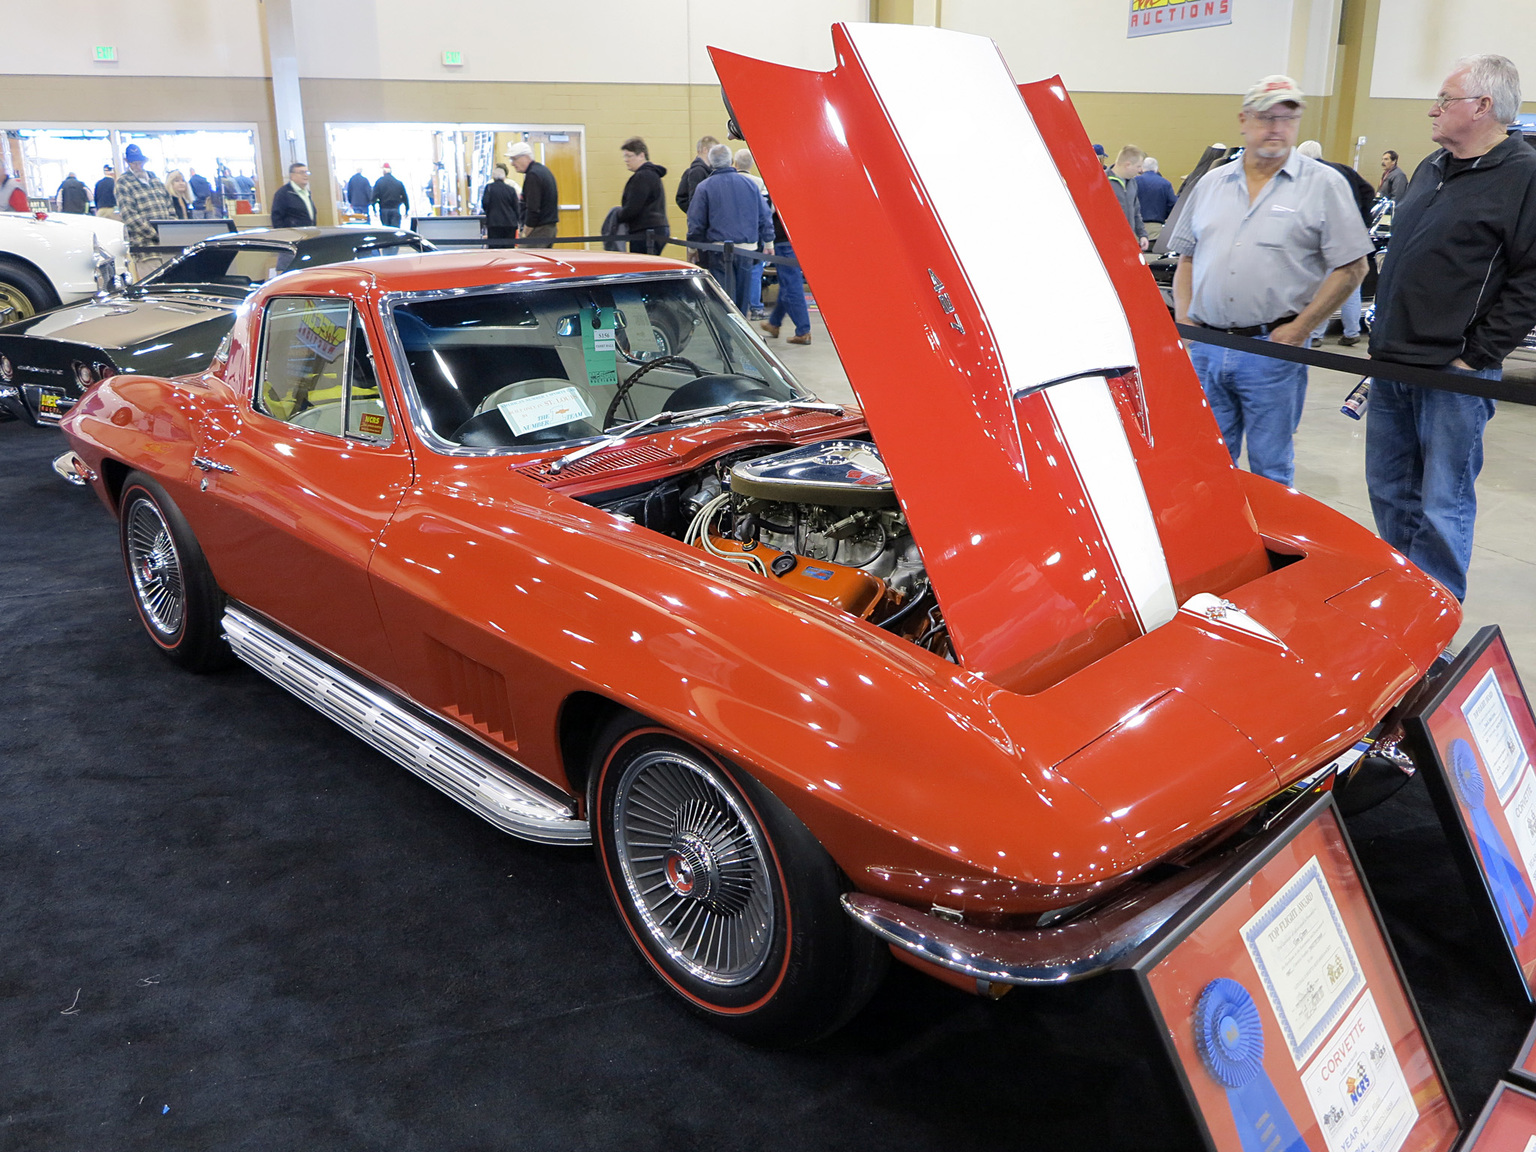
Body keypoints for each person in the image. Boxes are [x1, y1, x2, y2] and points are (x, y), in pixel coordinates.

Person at [1365, 54, 1536, 603]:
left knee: (1443, 502)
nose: (1433, 111)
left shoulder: (1524, 176)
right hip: (1392, 362)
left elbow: (1531, 278)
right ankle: (1401, 605)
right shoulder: (1432, 167)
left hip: (1452, 373)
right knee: (1390, 492)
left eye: (1444, 99)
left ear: (1483, 106)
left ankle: (1436, 618)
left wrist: (1476, 355)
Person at [1167, 75, 1372, 486]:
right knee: (1207, 463)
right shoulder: (1211, 184)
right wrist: (1186, 319)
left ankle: (1269, 547)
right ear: (1244, 120)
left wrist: (1301, 329)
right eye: (1266, 117)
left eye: (1287, 118)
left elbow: (1353, 268)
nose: (1276, 128)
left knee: (1270, 469)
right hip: (1207, 347)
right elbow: (1187, 257)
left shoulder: (1324, 185)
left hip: (1271, 352)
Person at [1298, 140, 1374, 346]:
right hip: (1354, 235)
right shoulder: (1344, 169)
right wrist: (1363, 221)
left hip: (1329, 236)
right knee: (1351, 286)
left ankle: (1315, 334)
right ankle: (1351, 332)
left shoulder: (1313, 174)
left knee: (1324, 286)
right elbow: (1369, 191)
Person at [686, 143, 773, 311]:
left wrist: (692, 249)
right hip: (747, 250)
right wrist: (769, 242)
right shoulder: (750, 185)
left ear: (711, 163)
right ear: (731, 161)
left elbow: (695, 222)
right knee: (742, 300)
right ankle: (741, 332)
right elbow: (765, 215)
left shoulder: (704, 187)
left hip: (718, 251)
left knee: (723, 300)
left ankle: (726, 335)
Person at [759, 210, 812, 346]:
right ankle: (774, 323)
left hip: (783, 238)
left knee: (791, 286)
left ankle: (803, 331)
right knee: (786, 284)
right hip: (792, 237)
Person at [113, 143, 176, 248]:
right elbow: (129, 216)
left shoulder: (155, 179)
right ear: (127, 162)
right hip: (144, 246)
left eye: (140, 162)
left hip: (168, 243)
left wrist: (171, 231)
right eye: (134, 163)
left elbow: (170, 207)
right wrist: (156, 235)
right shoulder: (123, 182)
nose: (138, 166)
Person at [616, 137, 669, 256]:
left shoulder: (642, 176)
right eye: (625, 156)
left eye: (629, 156)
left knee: (643, 268)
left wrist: (618, 215)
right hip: (657, 227)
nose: (626, 160)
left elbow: (633, 207)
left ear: (641, 155)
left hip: (645, 230)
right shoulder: (651, 174)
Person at [733, 149, 770, 316]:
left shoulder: (730, 182)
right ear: (752, 164)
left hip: (731, 235)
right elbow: (768, 210)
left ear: (735, 163)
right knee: (755, 272)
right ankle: (755, 307)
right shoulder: (759, 183)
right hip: (754, 236)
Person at [509, 143, 559, 244]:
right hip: (548, 228)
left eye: (514, 159)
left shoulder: (533, 175)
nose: (512, 163)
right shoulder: (542, 170)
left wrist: (525, 233)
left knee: (526, 258)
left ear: (526, 157)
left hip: (539, 230)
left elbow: (533, 208)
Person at [1106, 145, 1149, 250]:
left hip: (1127, 242)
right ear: (1127, 165)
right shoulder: (1103, 182)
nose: (1141, 170)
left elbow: (1136, 212)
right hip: (1108, 242)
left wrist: (1142, 235)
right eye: (1138, 166)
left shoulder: (1132, 183)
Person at [675, 135, 718, 213]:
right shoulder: (697, 171)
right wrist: (696, 214)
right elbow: (693, 200)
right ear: (705, 150)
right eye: (714, 151)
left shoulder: (710, 170)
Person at [481, 164, 521, 248]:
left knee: (495, 248)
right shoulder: (511, 189)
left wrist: (489, 213)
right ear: (504, 177)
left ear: (493, 177)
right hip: (510, 224)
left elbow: (485, 203)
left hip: (494, 223)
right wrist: (518, 221)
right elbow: (516, 207)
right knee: (509, 248)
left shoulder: (489, 188)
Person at [269, 161, 316, 228]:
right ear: (292, 175)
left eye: (307, 172)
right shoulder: (283, 193)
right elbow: (277, 218)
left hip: (309, 232)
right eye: (301, 172)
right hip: (293, 235)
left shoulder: (307, 192)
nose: (305, 175)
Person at [1134, 156, 1177, 223]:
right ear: (1157, 169)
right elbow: (1173, 204)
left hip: (1135, 224)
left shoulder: (1134, 181)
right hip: (1156, 224)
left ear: (1142, 168)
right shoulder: (1166, 183)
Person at [372, 163, 408, 227]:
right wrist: (407, 209)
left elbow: (374, 197)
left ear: (383, 171)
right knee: (395, 231)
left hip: (384, 210)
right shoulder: (398, 183)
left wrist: (374, 209)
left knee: (386, 231)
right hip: (395, 209)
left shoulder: (379, 182)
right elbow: (405, 197)